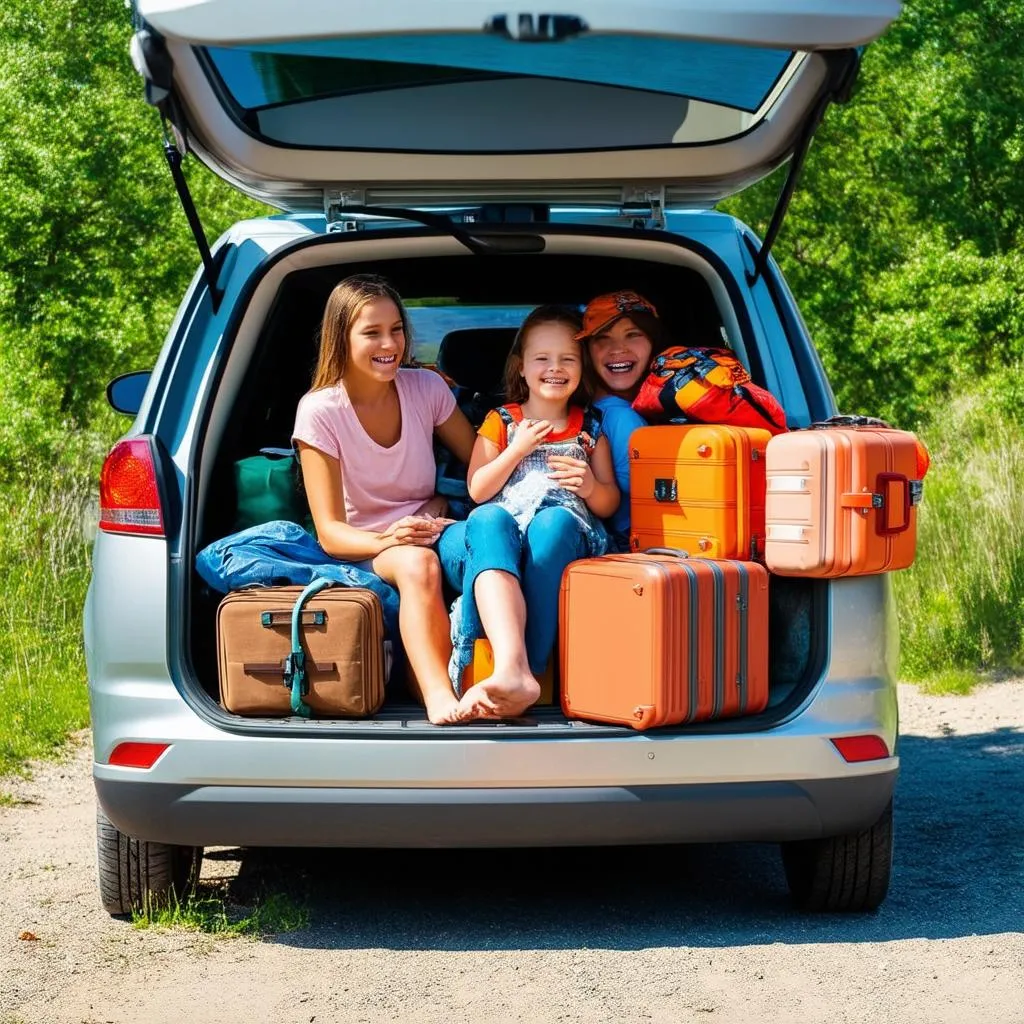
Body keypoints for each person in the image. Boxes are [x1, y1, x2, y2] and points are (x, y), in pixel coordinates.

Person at [292, 274, 479, 725]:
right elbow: (331, 533)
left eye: (396, 329)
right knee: (417, 563)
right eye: (372, 332)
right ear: (342, 337)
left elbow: (479, 467)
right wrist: (391, 538)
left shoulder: (426, 389)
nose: (389, 343)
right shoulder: (320, 411)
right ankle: (436, 693)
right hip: (363, 547)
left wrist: (437, 505)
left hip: (430, 529)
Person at [438, 305, 619, 719]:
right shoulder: (501, 421)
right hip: (501, 535)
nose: (555, 368)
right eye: (543, 359)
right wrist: (516, 450)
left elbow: (609, 502)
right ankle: (510, 667)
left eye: (567, 359)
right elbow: (479, 490)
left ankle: (530, 670)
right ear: (521, 368)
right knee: (488, 519)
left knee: (553, 522)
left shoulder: (590, 427)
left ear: (582, 368)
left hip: (563, 537)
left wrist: (590, 487)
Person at [576, 290, 668, 551]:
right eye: (602, 338)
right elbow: (656, 498)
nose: (617, 349)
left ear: (653, 342)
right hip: (632, 544)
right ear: (586, 352)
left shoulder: (583, 410)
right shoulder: (621, 417)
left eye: (633, 334)